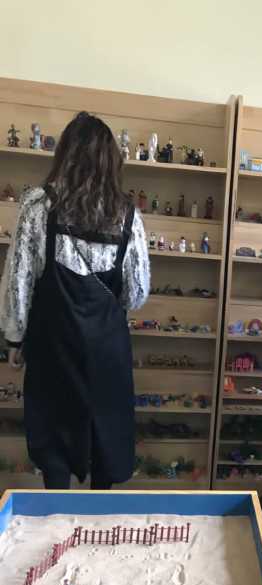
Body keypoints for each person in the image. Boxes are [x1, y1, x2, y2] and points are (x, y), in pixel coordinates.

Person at [0, 112, 150, 490]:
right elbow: (136, 293)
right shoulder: (128, 216)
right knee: (105, 442)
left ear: (64, 154)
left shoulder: (38, 206)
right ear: (111, 160)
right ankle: (98, 517)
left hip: (53, 347)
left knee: (53, 443)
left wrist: (14, 339)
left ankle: (57, 518)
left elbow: (18, 281)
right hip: (106, 351)